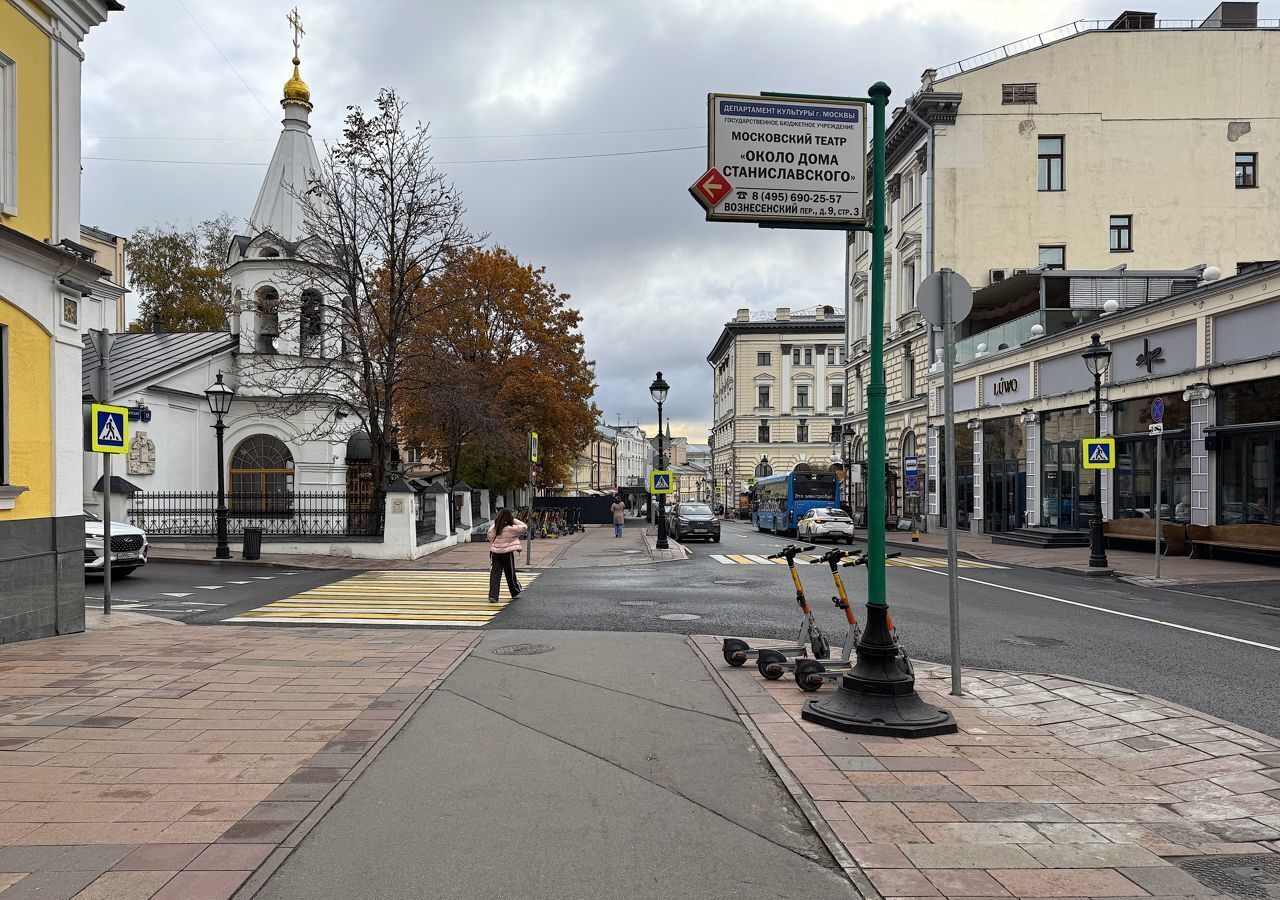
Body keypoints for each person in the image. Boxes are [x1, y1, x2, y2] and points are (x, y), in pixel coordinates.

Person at [486, 508, 527, 603]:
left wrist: (498, 521)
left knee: (495, 574)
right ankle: (514, 591)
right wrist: (512, 520)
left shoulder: (496, 528)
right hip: (507, 554)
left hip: (495, 553)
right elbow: (524, 527)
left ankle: (493, 596)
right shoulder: (512, 529)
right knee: (510, 573)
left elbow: (489, 534)